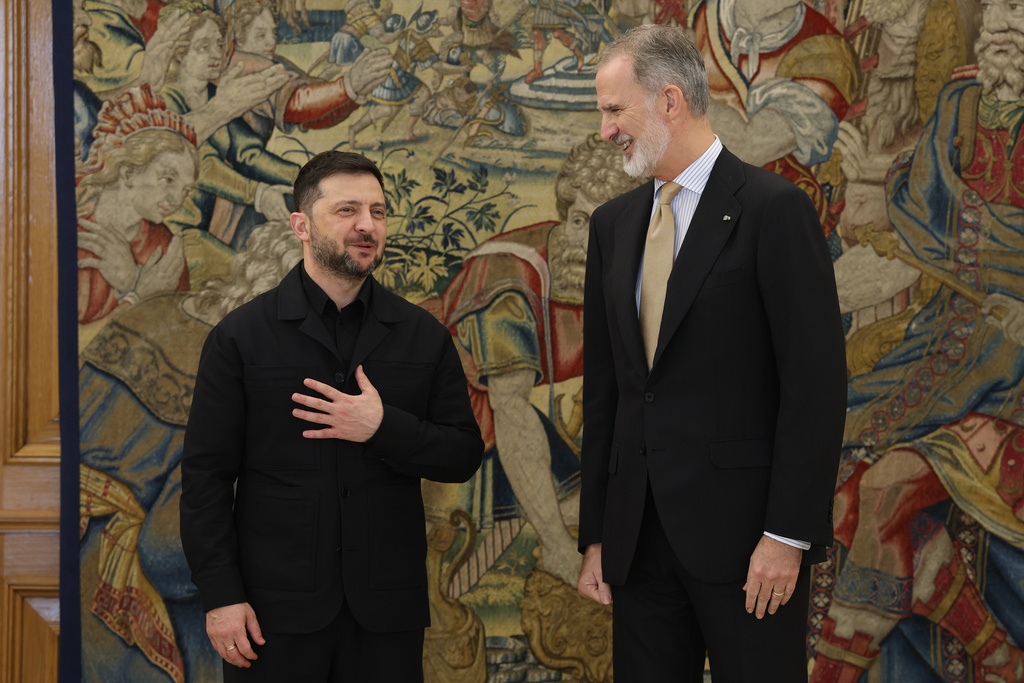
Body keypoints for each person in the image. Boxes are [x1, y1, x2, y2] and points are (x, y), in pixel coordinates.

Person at [575, 24, 847, 682]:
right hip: (638, 546)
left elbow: (815, 384)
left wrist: (787, 535)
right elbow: (608, 388)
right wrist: (597, 536)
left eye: (615, 110)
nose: (605, 130)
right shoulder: (612, 226)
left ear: (670, 101)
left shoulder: (773, 209)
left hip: (751, 548)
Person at [179, 150, 485, 681]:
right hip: (272, 615)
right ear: (302, 225)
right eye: (347, 211)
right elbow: (205, 480)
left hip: (386, 616)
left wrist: (381, 427)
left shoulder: (423, 335)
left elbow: (462, 454)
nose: (367, 225)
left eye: (379, 211)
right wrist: (221, 597)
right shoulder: (239, 338)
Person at [809, 0, 1024, 679]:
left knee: (886, 487)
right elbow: (916, 228)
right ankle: (997, 655)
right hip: (941, 345)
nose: (1003, 31)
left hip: (1014, 380)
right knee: (829, 477)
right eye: (995, 17)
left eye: (1018, 18)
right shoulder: (960, 100)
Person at [427, 134, 643, 586]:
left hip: (514, 423)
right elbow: (508, 405)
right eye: (580, 220)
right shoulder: (510, 274)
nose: (585, 241)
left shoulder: (631, 278)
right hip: (452, 412)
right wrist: (560, 550)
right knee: (574, 515)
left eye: (607, 231)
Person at [76, 85, 198, 326]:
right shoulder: (74, 236)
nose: (177, 199)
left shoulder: (164, 246)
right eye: (168, 179)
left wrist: (131, 282)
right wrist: (137, 295)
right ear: (129, 173)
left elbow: (178, 338)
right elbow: (63, 350)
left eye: (185, 190)